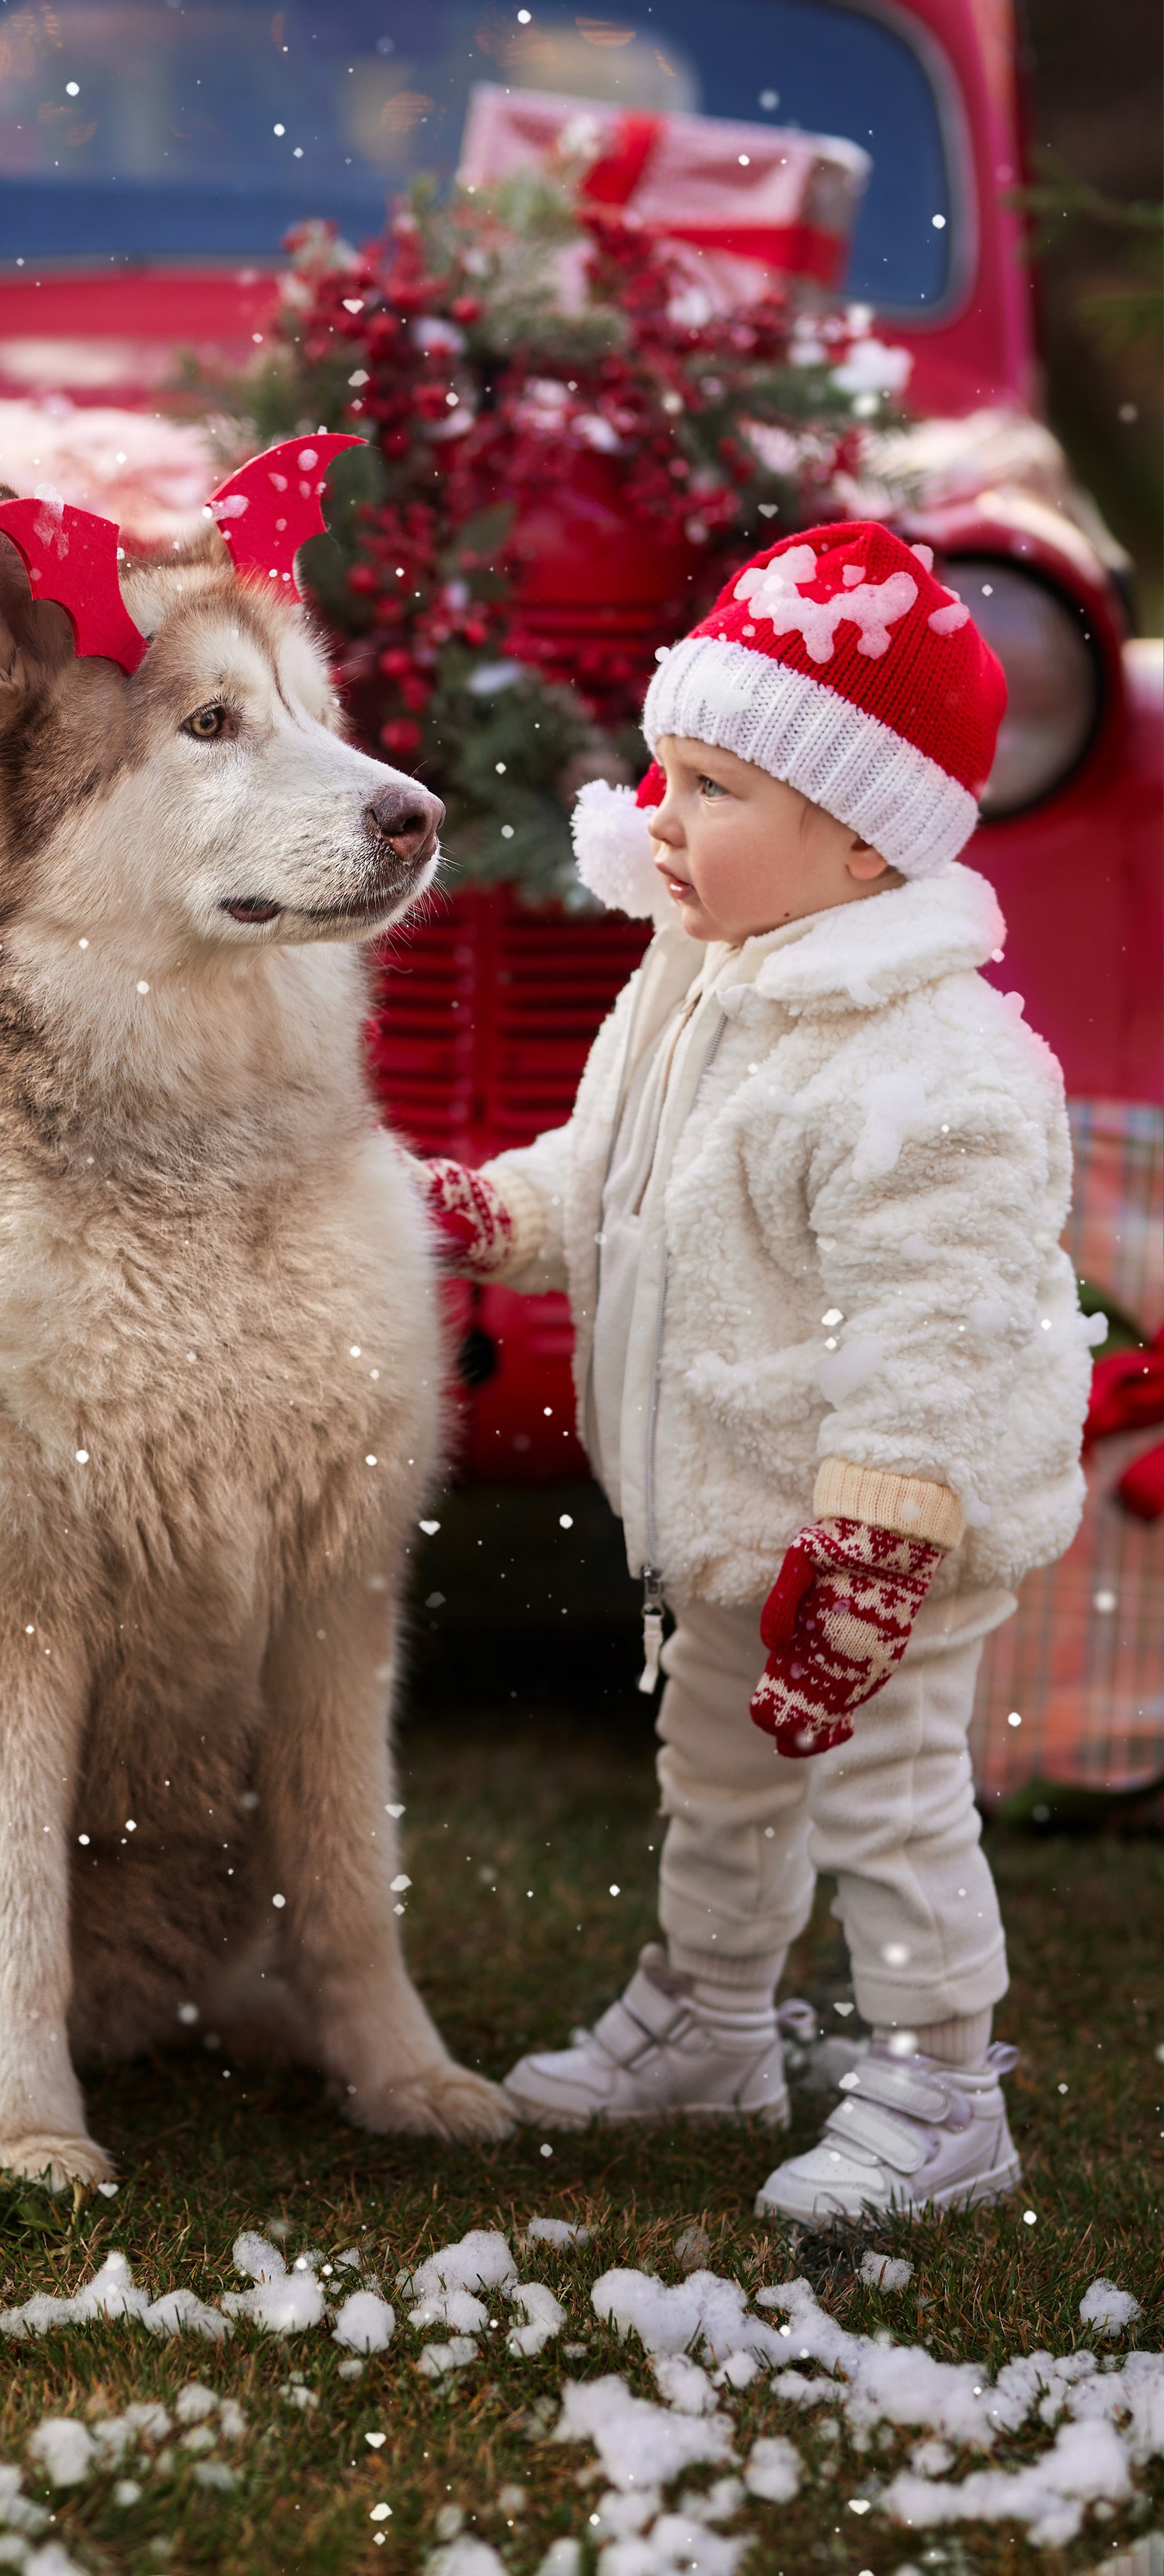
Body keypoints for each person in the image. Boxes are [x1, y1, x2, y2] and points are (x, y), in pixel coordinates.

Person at [415, 523, 1099, 2222]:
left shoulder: (930, 1070)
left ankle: (942, 2087)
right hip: (730, 1512)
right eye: (663, 769)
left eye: (713, 789)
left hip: (877, 1537)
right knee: (717, 1775)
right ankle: (713, 2022)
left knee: (885, 1795)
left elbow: (936, 1336)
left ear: (863, 842)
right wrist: (495, 1212)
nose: (659, 815)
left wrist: (870, 1554)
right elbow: (617, 1176)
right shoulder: (698, 978)